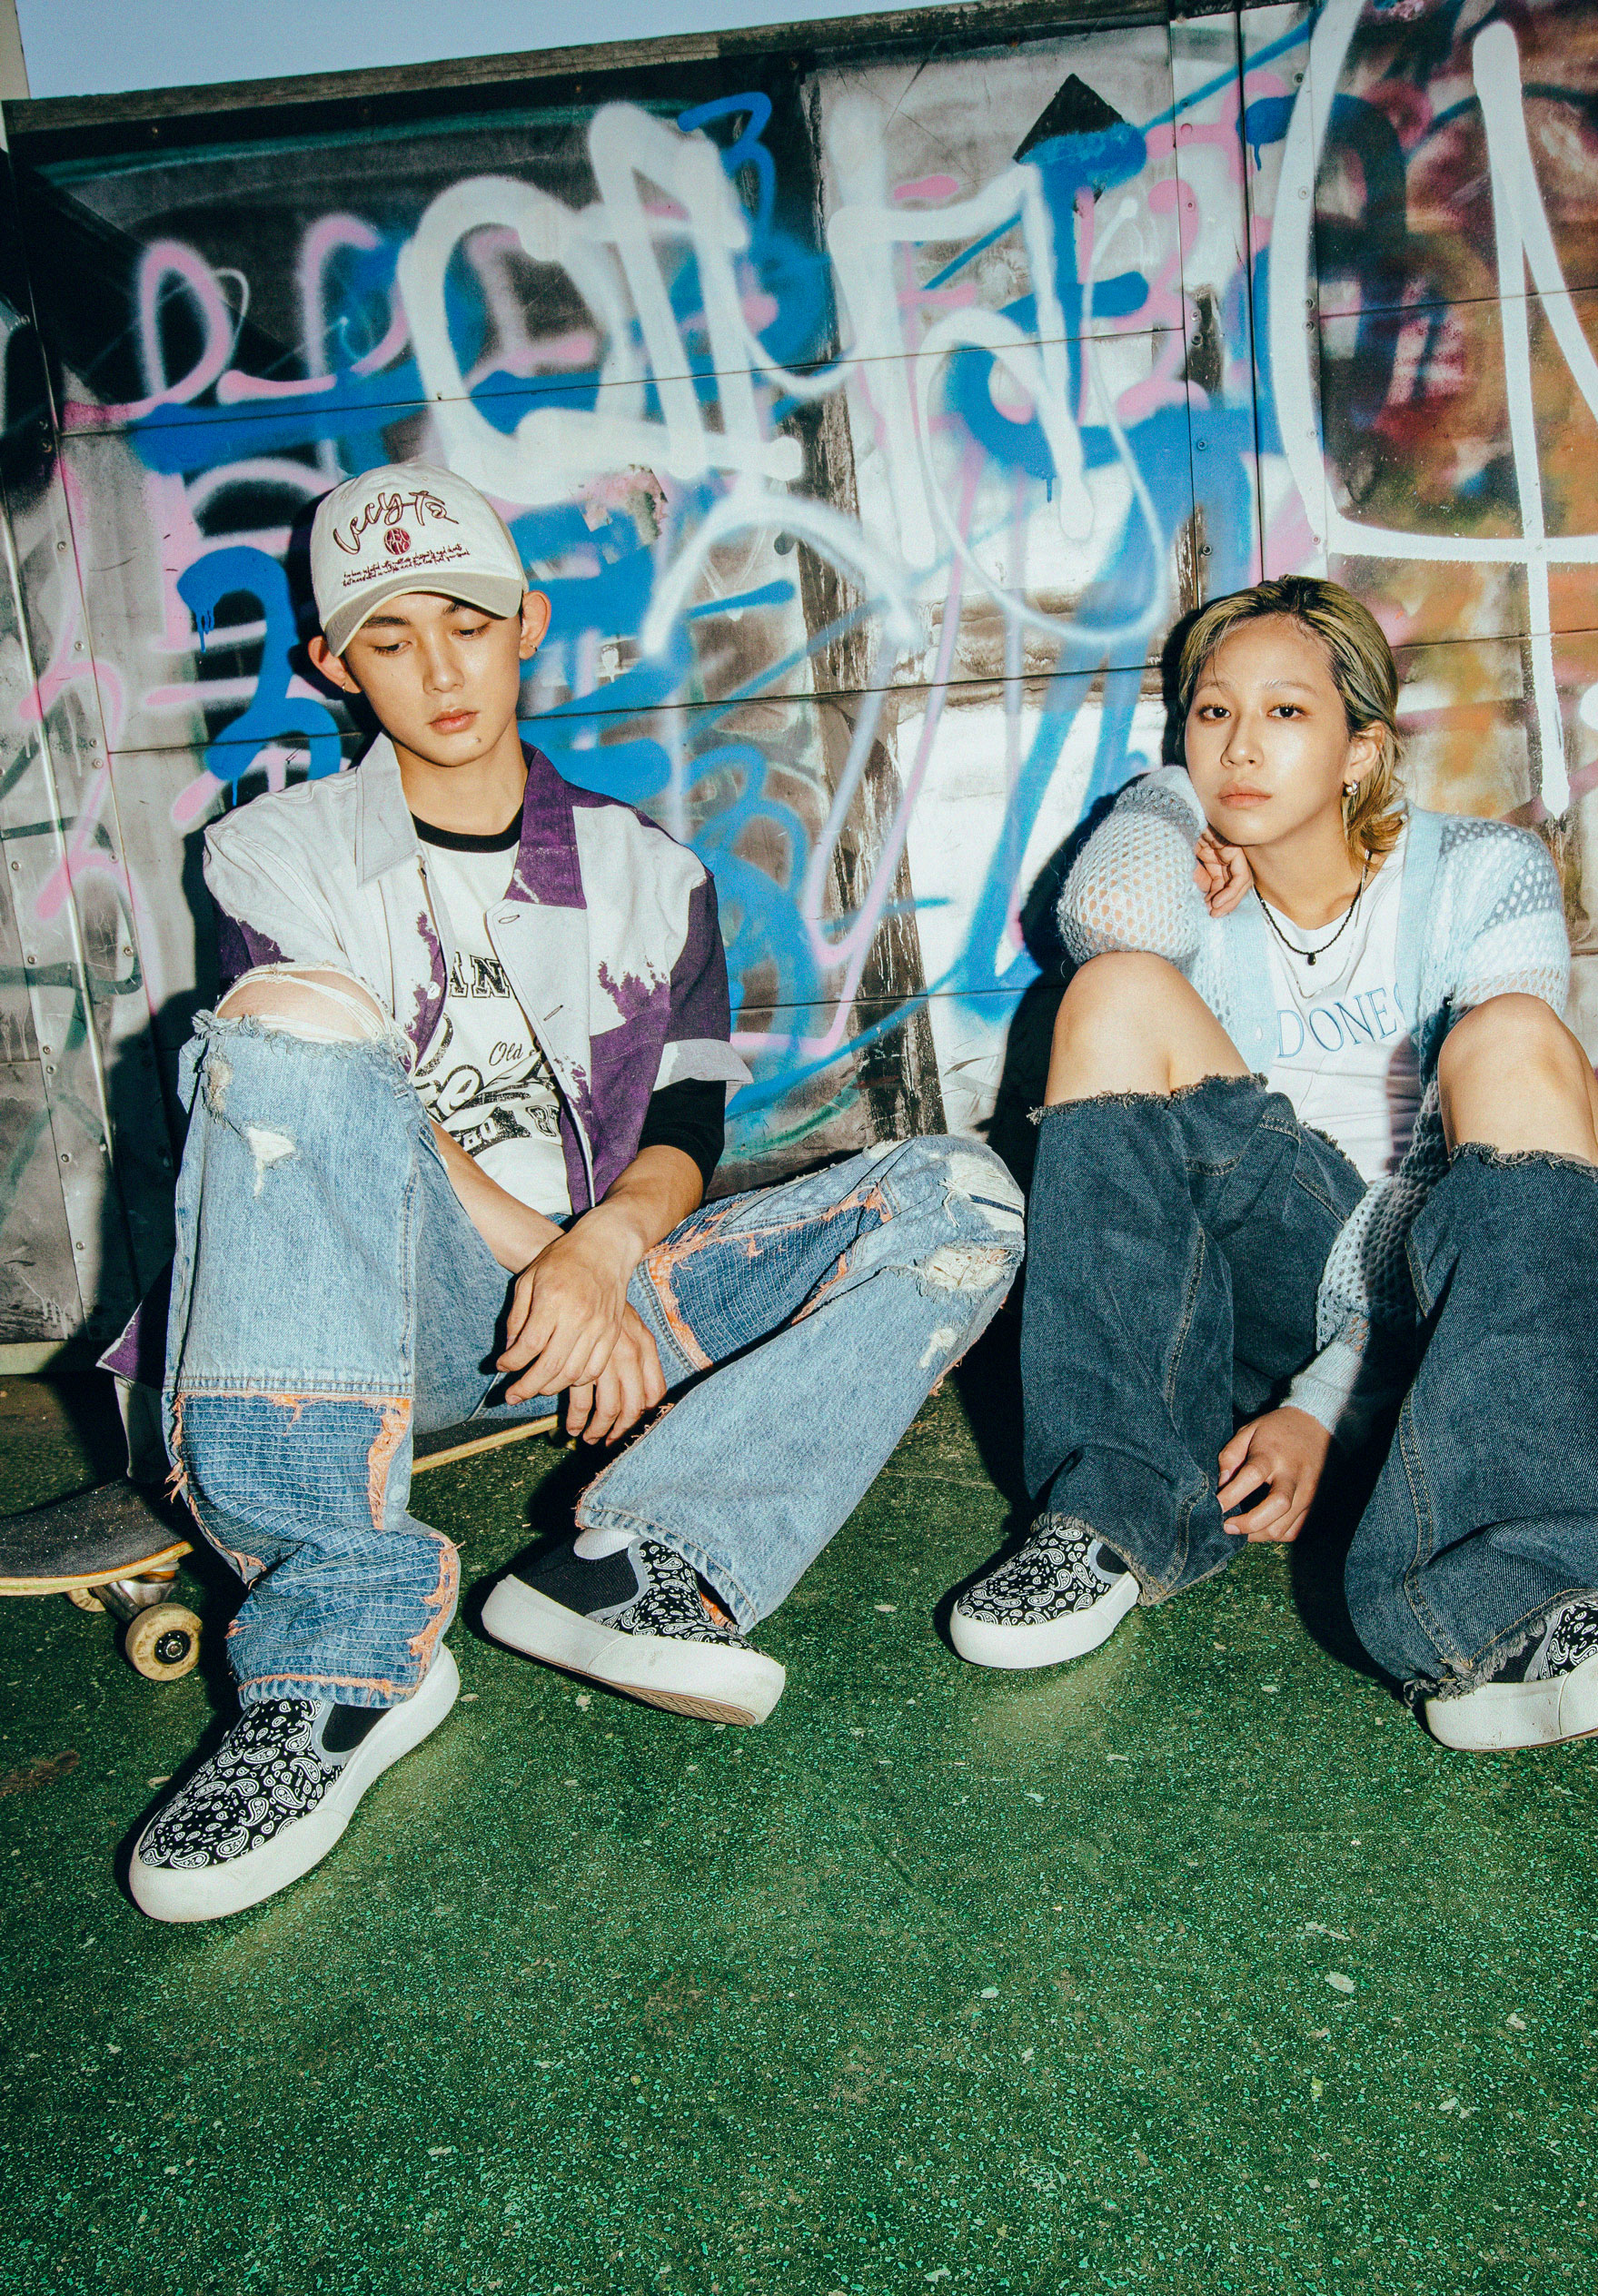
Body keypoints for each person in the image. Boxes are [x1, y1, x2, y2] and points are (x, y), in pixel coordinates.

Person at [114, 462, 1024, 1922]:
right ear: (334, 665)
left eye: (467, 625)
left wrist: (602, 1259)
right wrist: (561, 1264)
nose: (438, 671)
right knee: (285, 1022)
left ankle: (642, 1557)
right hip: (379, 1309)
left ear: (527, 623)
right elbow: (347, 1119)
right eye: (391, 639)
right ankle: (337, 1670)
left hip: (602, 1296)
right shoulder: (271, 854)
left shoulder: (650, 872)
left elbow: (685, 1130)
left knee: (964, 1192)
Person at [949, 574, 1598, 1757]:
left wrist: (1324, 1405)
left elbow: (1490, 1200)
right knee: (1112, 989)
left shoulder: (1484, 870)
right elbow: (1112, 920)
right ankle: (1107, 1520)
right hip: (1310, 1290)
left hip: (1553, 1318)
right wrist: (1163, 802)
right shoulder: (1191, 899)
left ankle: (1543, 1599)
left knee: (1510, 1036)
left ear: (1362, 747)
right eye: (1211, 713)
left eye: (1286, 712)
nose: (1239, 747)